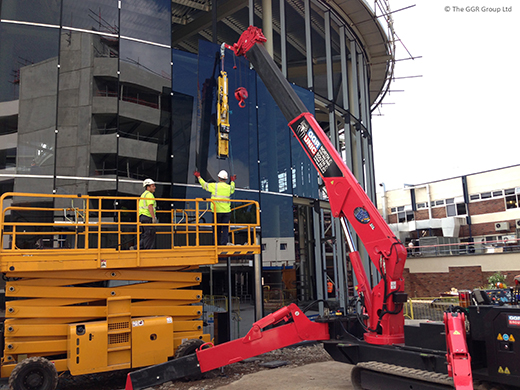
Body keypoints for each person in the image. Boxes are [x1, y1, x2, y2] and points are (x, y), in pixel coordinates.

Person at [194, 170, 236, 245]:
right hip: (226, 212)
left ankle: (216, 243)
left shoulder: (214, 186)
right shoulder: (229, 187)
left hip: (217, 211)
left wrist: (198, 177)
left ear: (219, 178)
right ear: (226, 179)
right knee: (225, 228)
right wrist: (232, 181)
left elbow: (204, 185)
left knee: (216, 228)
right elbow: (232, 188)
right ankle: (224, 243)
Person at [137, 178, 158, 249]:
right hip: (148, 217)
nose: (154, 187)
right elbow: (150, 206)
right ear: (148, 187)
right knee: (150, 236)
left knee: (146, 235)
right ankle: (146, 251)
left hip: (142, 217)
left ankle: (136, 248)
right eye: (153, 186)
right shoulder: (149, 195)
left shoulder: (143, 195)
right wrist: (153, 217)